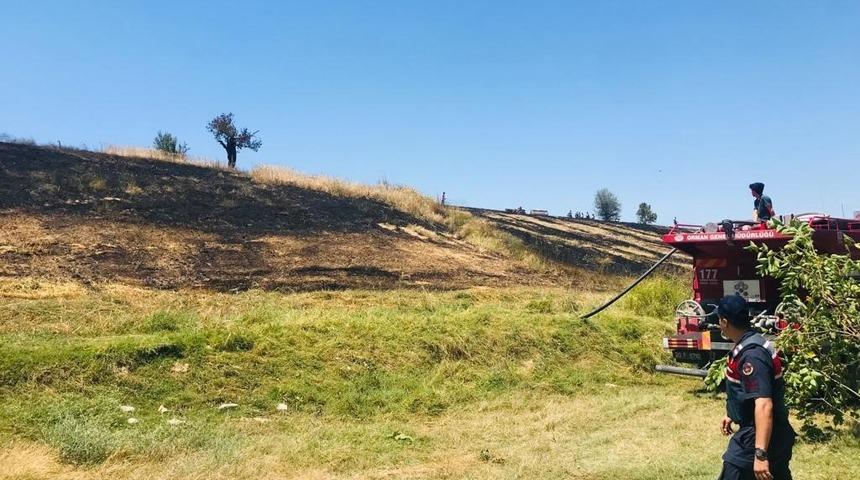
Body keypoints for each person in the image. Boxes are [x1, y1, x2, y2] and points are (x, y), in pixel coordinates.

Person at [717, 295, 795, 480]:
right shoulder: (750, 343)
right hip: (770, 433)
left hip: (758, 437)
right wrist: (733, 412)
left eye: (719, 320)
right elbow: (748, 390)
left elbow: (764, 404)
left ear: (725, 322)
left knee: (732, 472)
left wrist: (760, 454)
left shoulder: (752, 355)